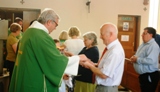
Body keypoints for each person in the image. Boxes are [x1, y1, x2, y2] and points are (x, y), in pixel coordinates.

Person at [9, 8, 90, 92]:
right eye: (56, 25)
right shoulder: (40, 36)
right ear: (49, 22)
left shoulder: (29, 32)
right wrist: (78, 58)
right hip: (34, 80)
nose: (55, 28)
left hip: (26, 76)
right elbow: (54, 61)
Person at [83, 23, 125, 92]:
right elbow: (106, 66)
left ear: (111, 34)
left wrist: (89, 65)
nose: (100, 37)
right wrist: (94, 65)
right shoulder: (111, 48)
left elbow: (104, 74)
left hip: (107, 88)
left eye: (102, 34)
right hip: (104, 87)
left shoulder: (115, 51)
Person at [130, 27, 160, 92]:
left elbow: (151, 60)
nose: (142, 35)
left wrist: (137, 60)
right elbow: (139, 55)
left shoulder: (153, 46)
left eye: (144, 33)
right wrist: (134, 57)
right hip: (143, 76)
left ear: (151, 35)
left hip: (149, 75)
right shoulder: (143, 44)